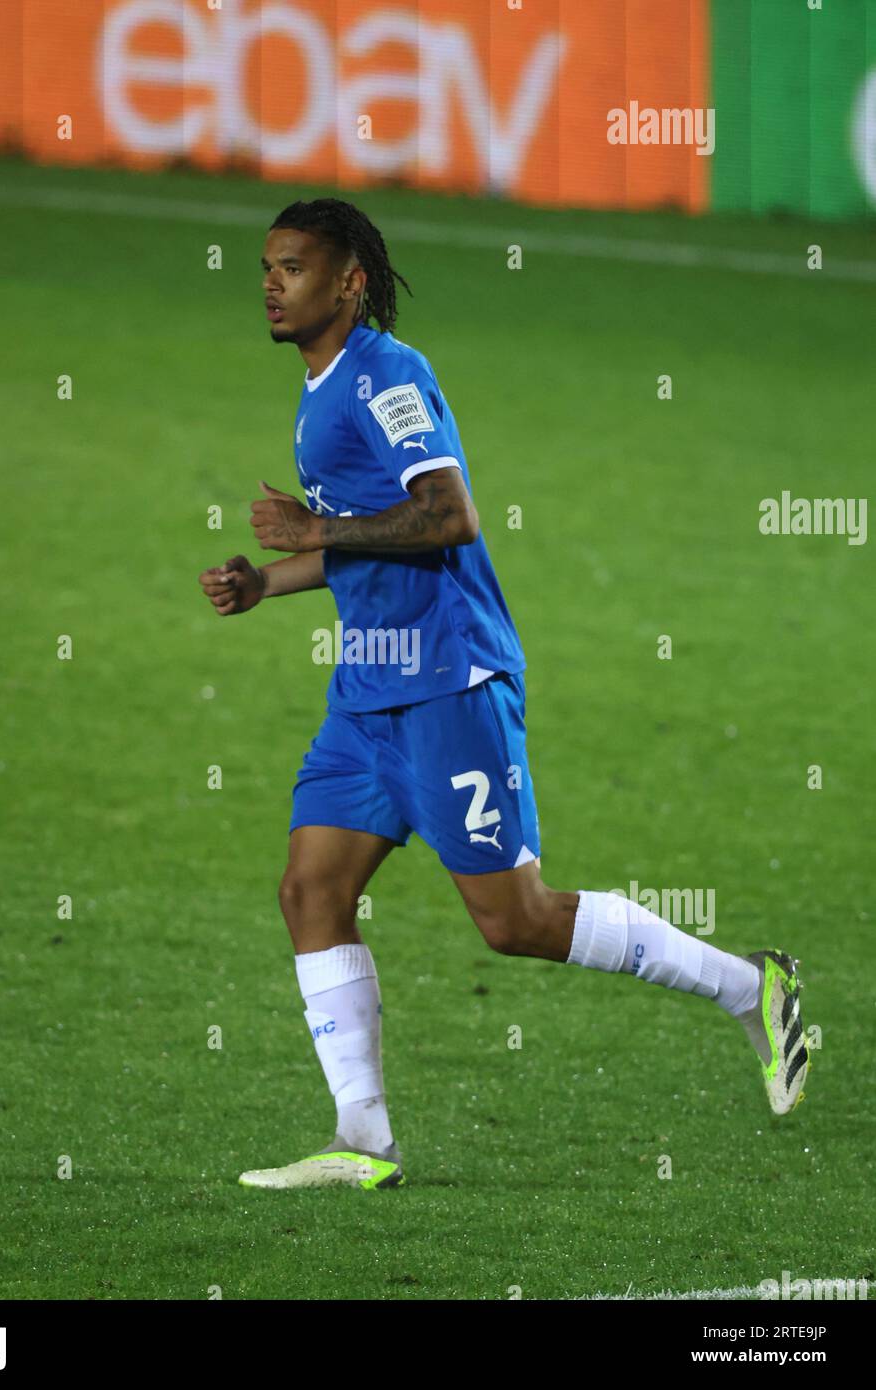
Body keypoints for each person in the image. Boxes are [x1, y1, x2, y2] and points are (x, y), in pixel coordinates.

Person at [198, 198, 810, 1191]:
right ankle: (364, 1139)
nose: (270, 281)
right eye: (265, 265)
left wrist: (314, 532)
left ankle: (751, 987)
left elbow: (447, 516)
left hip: (447, 679)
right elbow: (362, 532)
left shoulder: (388, 374)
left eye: (294, 267)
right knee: (311, 890)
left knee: (514, 920)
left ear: (348, 283)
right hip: (367, 690)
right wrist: (268, 583)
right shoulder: (318, 390)